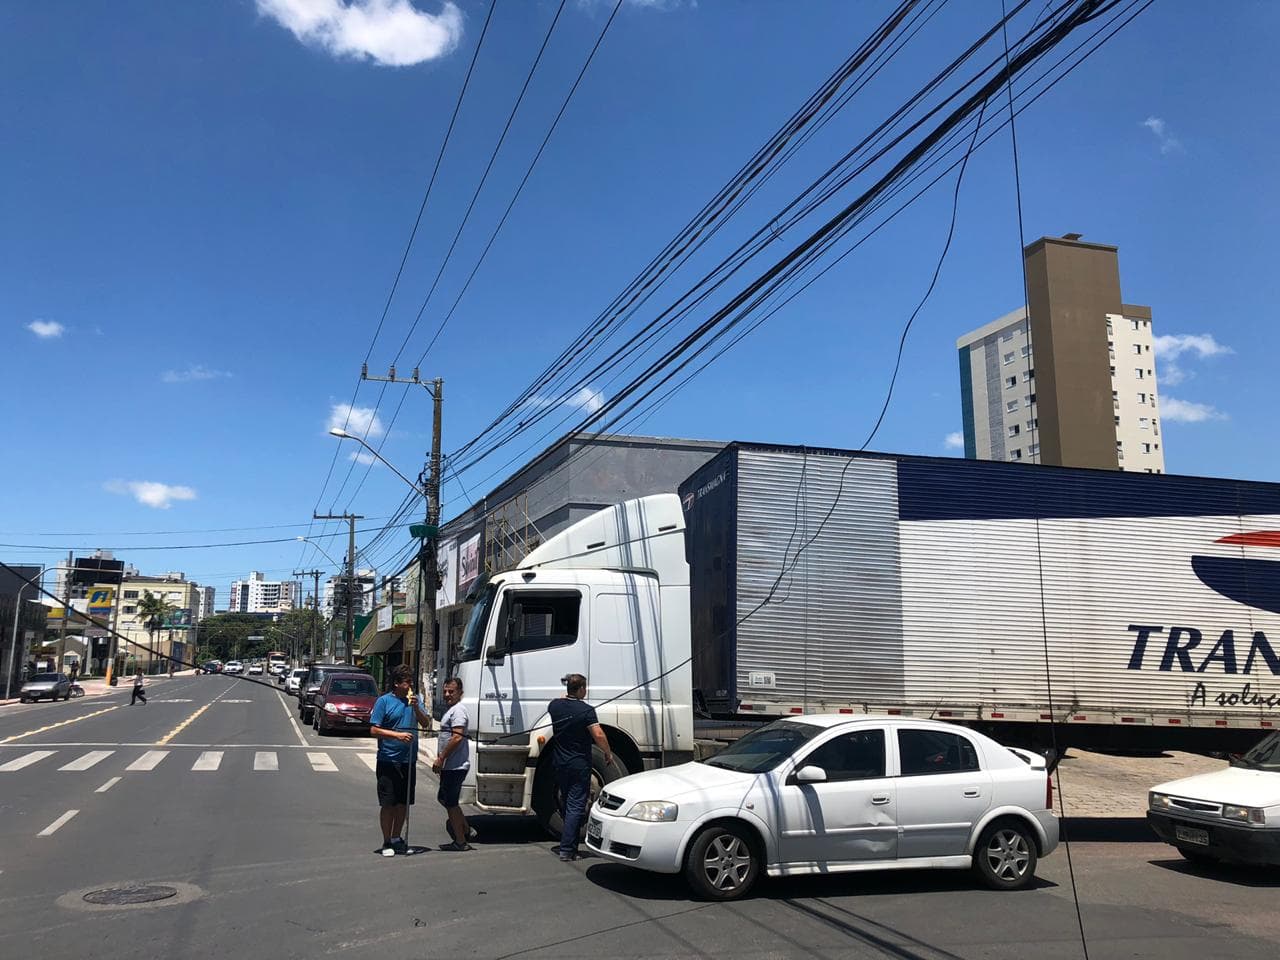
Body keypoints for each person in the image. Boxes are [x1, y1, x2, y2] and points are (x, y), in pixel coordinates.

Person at [548, 674, 612, 862]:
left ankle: (570, 846)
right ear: (582, 689)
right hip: (579, 764)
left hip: (560, 762)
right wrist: (607, 752)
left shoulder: (554, 706)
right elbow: (598, 734)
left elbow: (559, 700)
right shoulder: (586, 711)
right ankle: (567, 850)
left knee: (567, 802)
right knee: (576, 805)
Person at [369, 664, 430, 856]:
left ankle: (396, 837)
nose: (410, 685)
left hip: (408, 760)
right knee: (388, 803)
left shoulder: (415, 700)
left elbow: (426, 723)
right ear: (397, 683)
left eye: (411, 682)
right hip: (388, 759)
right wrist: (397, 736)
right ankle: (387, 841)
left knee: (403, 803)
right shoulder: (384, 701)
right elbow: (374, 730)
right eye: (407, 682)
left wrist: (416, 708)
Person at [433, 677, 474, 851]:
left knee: (450, 802)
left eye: (451, 691)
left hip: (455, 765)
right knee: (444, 798)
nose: (447, 694)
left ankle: (461, 841)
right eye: (445, 691)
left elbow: (457, 737)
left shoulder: (458, 711)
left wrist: (441, 758)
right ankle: (466, 828)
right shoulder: (451, 710)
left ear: (460, 693)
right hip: (450, 766)